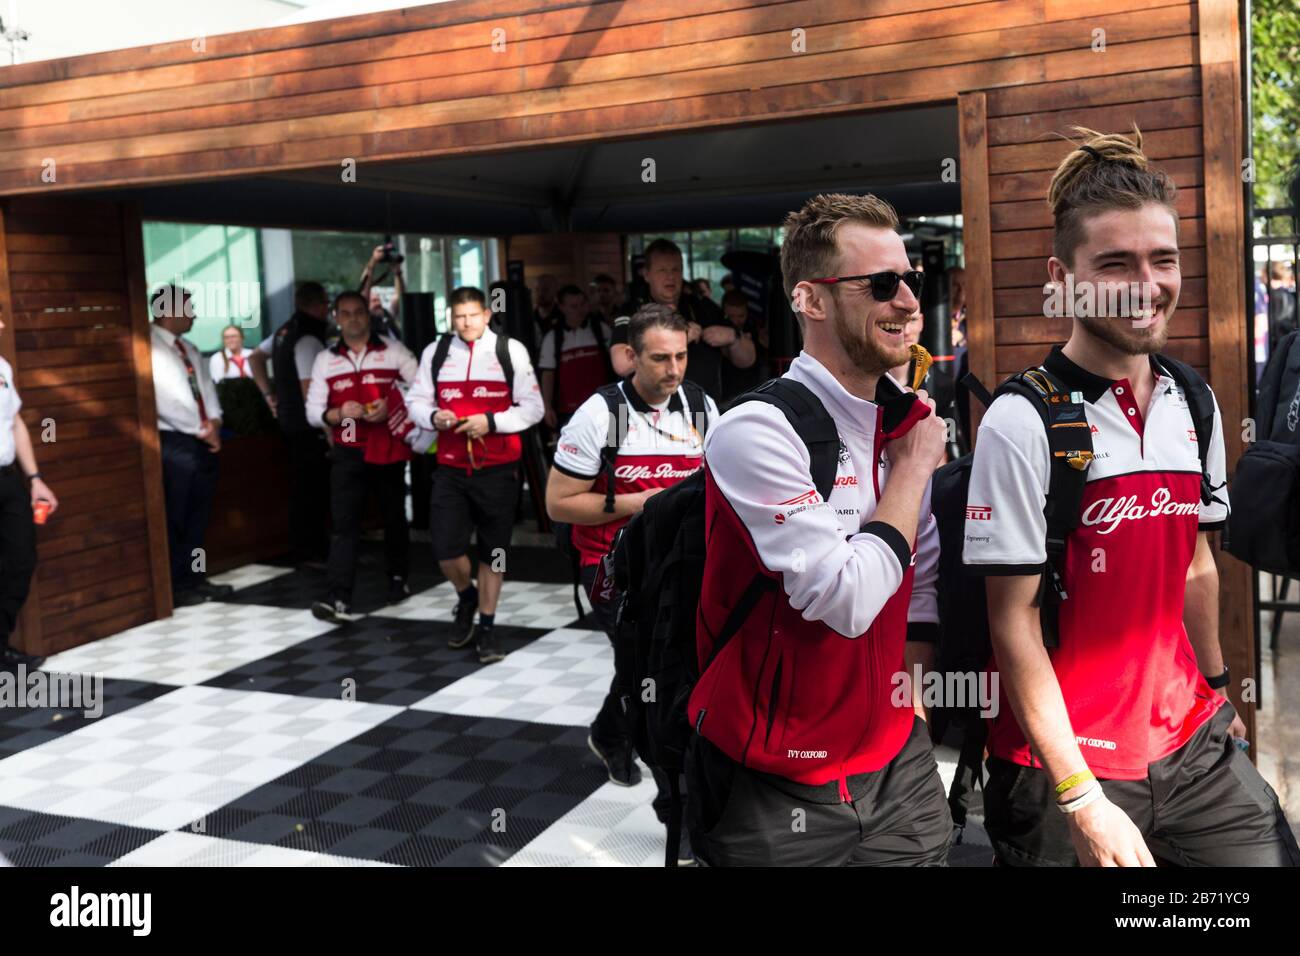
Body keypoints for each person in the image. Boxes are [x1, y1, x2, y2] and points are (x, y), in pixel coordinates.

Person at [964, 127, 1299, 867]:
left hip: (1191, 740)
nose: (1146, 285)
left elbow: (1195, 566)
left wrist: (1215, 686)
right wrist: (1082, 799)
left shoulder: (1195, 400)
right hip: (1064, 765)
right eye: (1115, 263)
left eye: (1163, 260)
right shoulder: (1023, 420)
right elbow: (1011, 622)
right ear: (1063, 276)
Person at [686, 193, 951, 866]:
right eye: (881, 284)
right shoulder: (757, 428)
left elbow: (917, 587)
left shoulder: (903, 421)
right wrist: (916, 471)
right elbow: (849, 601)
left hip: (898, 765)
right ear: (811, 300)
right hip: (774, 782)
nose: (907, 302)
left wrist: (909, 709)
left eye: (911, 280)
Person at [546, 302, 718, 860]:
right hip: (612, 569)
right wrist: (644, 503)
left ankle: (610, 731)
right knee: (656, 678)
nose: (673, 370)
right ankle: (679, 813)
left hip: (681, 565)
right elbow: (559, 503)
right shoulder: (602, 413)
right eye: (660, 359)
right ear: (631, 358)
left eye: (682, 356)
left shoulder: (698, 404)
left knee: (654, 671)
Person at [406, 287, 544, 664]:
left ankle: (487, 626)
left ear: (486, 314)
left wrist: (491, 421)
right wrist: (433, 417)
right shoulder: (435, 353)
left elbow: (533, 408)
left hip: (498, 470)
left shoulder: (509, 350)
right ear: (451, 317)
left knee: (495, 553)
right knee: (445, 550)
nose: (466, 323)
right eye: (458, 316)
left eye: (472, 315)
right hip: (450, 467)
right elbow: (415, 401)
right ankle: (466, 597)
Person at [305, 291, 419, 622]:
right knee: (344, 525)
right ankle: (339, 597)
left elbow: (423, 389)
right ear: (336, 318)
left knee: (393, 517)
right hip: (348, 447)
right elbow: (313, 411)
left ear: (367, 317)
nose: (353, 318)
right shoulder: (326, 359)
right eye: (346, 313)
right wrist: (338, 412)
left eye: (358, 312)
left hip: (386, 446)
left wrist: (392, 403)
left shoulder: (393, 350)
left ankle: (399, 578)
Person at [150, 284, 235, 608]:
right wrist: (200, 429)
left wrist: (214, 421)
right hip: (175, 441)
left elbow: (206, 389)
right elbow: (163, 401)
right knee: (177, 516)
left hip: (202, 439)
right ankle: (178, 583)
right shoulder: (151, 347)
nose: (194, 314)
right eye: (187, 307)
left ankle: (197, 577)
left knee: (200, 516)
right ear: (168, 311)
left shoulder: (190, 348)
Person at [608, 239, 754, 399]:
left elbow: (747, 360)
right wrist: (678, 337)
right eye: (662, 270)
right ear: (647, 274)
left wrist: (733, 337)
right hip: (653, 414)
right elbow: (621, 363)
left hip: (703, 412)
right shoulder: (633, 310)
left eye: (675, 269)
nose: (670, 276)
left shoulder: (701, 306)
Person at [251, 282, 332, 565]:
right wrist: (328, 429)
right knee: (314, 489)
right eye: (326, 303)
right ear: (316, 305)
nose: (329, 310)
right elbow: (310, 390)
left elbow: (255, 358)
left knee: (302, 486)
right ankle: (314, 550)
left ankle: (307, 549)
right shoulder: (308, 338)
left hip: (288, 419)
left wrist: (268, 395)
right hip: (307, 425)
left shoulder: (284, 331)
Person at [0, 310, 58, 670]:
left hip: (8, 479)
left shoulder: (2, 367)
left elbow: (16, 422)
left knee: (21, 559)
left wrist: (35, 477)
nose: (3, 325)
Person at [538, 285, 614, 430]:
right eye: (574, 306)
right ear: (561, 307)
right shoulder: (553, 338)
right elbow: (548, 374)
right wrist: (547, 407)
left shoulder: (601, 330)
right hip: (568, 412)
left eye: (582, 305)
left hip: (603, 406)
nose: (580, 310)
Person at [717, 288, 766, 404]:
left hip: (751, 394)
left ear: (747, 313)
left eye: (740, 316)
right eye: (731, 316)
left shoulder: (754, 330)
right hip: (724, 396)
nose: (736, 321)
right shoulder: (717, 331)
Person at [359, 243, 405, 341]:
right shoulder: (365, 318)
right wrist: (373, 261)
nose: (378, 303)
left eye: (378, 300)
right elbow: (364, 289)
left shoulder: (387, 315)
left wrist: (398, 273)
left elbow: (399, 297)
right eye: (374, 300)